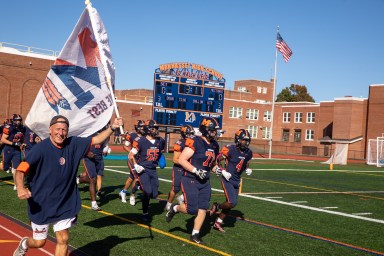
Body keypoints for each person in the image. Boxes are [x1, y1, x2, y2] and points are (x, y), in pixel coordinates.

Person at [13, 115, 123, 256]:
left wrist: (112, 127)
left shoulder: (74, 144)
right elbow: (21, 169)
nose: (61, 132)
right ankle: (24, 243)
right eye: (57, 129)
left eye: (64, 129)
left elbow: (96, 140)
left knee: (63, 238)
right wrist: (21, 188)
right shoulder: (40, 149)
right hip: (41, 203)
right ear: (50, 130)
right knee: (40, 242)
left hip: (65, 201)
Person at [165, 117, 220, 244]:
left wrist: (217, 169)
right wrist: (195, 170)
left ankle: (195, 234)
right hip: (190, 179)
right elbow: (182, 159)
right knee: (192, 210)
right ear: (205, 130)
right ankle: (175, 208)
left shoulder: (214, 145)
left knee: (203, 208)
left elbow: (210, 164)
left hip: (205, 181)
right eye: (212, 130)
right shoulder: (195, 141)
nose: (214, 133)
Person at [209, 129, 253, 233]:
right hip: (227, 179)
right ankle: (217, 206)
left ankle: (218, 222)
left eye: (247, 140)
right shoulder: (230, 149)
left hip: (237, 180)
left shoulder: (248, 152)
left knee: (230, 204)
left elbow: (245, 161)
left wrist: (247, 168)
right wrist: (222, 171)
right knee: (232, 202)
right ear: (237, 139)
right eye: (243, 140)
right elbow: (217, 160)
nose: (245, 142)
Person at [128, 119, 165, 222]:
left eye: (156, 128)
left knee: (154, 194)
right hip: (143, 168)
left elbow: (159, 152)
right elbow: (131, 155)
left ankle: (139, 186)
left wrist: (161, 160)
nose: (156, 130)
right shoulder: (140, 141)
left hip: (153, 169)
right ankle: (145, 213)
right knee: (147, 192)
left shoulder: (160, 141)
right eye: (154, 128)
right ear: (148, 129)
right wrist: (136, 165)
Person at [77, 125, 110, 211]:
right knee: (93, 179)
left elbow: (105, 148)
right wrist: (86, 153)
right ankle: (94, 203)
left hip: (99, 158)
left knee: (92, 178)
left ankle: (78, 180)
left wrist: (106, 151)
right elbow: (80, 145)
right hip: (88, 159)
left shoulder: (106, 135)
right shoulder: (89, 133)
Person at [165, 125, 195, 211]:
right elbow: (175, 159)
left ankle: (181, 198)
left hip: (189, 169)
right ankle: (169, 203)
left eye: (192, 134)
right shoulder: (180, 143)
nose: (191, 136)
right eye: (189, 134)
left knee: (191, 186)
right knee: (176, 188)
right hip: (179, 169)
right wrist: (186, 163)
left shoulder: (194, 142)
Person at [119, 120, 145, 205]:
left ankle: (123, 192)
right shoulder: (132, 135)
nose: (143, 128)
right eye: (141, 127)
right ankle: (132, 195)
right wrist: (132, 152)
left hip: (140, 160)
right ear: (137, 128)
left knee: (131, 178)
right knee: (137, 177)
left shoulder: (145, 136)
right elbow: (125, 146)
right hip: (132, 160)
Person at [1, 114, 25, 187]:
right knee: (5, 167)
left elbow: (22, 138)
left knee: (17, 168)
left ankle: (16, 185)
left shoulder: (23, 128)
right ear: (13, 121)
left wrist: (22, 143)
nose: (18, 122)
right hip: (8, 149)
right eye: (17, 120)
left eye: (19, 120)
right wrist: (13, 143)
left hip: (17, 150)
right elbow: (3, 139)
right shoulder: (9, 128)